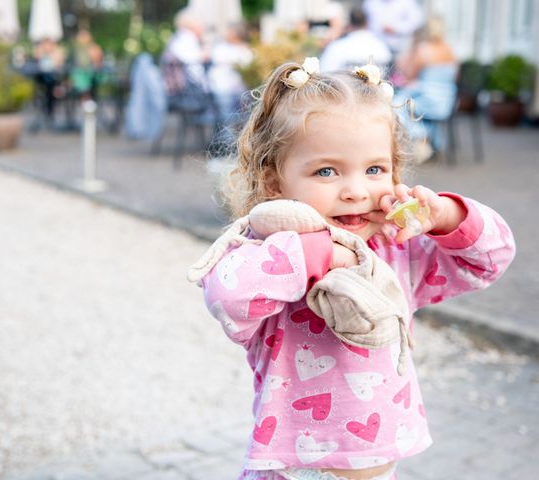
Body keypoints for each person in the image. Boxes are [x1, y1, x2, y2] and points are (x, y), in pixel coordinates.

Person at [187, 58, 515, 480]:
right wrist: (321, 254)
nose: (356, 191)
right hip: (293, 472)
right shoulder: (269, 254)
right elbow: (227, 294)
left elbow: (491, 258)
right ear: (274, 183)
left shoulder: (395, 252)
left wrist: (447, 215)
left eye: (375, 169)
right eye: (327, 171)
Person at [393, 16, 458, 159]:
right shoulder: (450, 50)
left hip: (428, 101)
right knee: (413, 104)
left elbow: (409, 76)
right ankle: (435, 143)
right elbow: (455, 77)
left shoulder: (423, 49)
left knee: (397, 105)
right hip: (447, 103)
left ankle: (421, 136)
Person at [320, 6, 391, 73]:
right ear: (367, 23)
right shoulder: (381, 47)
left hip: (345, 85)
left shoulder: (336, 47)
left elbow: (325, 72)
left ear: (348, 25)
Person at [33, 37, 65, 125]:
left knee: (53, 88)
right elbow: (36, 59)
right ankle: (46, 110)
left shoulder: (57, 52)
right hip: (42, 78)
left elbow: (59, 64)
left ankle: (50, 111)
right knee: (48, 90)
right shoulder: (40, 51)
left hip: (53, 78)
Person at [70, 29, 104, 101]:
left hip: (93, 74)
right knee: (77, 76)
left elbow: (98, 63)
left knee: (83, 77)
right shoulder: (77, 49)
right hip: (80, 74)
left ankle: (86, 99)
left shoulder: (95, 48)